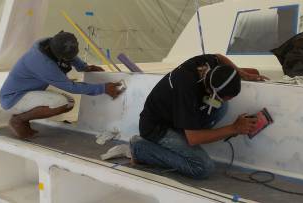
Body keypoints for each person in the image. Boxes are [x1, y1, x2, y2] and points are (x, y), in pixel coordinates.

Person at [108, 54, 268, 179]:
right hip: (156, 128)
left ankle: (183, 134)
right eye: (224, 96)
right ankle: (140, 149)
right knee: (203, 167)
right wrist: (234, 128)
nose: (229, 100)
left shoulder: (208, 64)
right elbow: (194, 138)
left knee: (222, 107)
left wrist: (242, 73)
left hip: (175, 115)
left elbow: (219, 56)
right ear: (212, 93)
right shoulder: (186, 92)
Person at [0, 31, 123, 139]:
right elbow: (71, 86)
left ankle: (23, 118)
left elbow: (70, 56)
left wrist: (84, 67)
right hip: (13, 98)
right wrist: (103, 88)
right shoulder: (43, 64)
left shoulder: (51, 42)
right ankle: (18, 120)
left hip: (28, 91)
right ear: (58, 54)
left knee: (69, 103)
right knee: (62, 104)